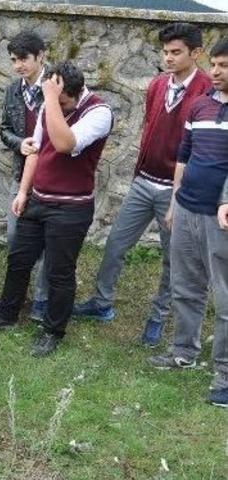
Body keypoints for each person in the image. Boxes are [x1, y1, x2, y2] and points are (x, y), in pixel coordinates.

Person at [75, 23, 210, 347]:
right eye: (165, 52)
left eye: (176, 52)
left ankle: (157, 318)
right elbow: (150, 125)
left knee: (171, 260)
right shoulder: (157, 85)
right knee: (116, 245)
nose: (168, 58)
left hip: (176, 191)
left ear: (195, 53)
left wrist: (184, 192)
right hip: (143, 182)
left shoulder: (207, 90)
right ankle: (101, 303)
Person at [0, 62, 113, 357]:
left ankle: (53, 330)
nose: (55, 105)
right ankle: (6, 315)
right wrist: (24, 192)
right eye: (52, 98)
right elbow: (36, 150)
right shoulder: (50, 105)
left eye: (61, 100)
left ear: (74, 94)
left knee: (59, 272)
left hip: (71, 206)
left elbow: (65, 143)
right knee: (18, 260)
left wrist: (51, 98)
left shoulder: (99, 113)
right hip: (39, 198)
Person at [148, 38, 228, 408]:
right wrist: (175, 202)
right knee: (185, 286)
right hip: (188, 209)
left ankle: (225, 375)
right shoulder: (200, 106)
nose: (216, 71)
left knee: (225, 299)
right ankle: (183, 351)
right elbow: (185, 154)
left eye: (224, 65)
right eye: (214, 64)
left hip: (221, 218)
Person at [0, 31, 50, 322]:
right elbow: (4, 129)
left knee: (47, 244)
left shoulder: (57, 86)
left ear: (40, 55)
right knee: (15, 237)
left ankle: (42, 300)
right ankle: (17, 296)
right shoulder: (12, 91)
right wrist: (19, 142)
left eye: (23, 59)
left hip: (51, 178)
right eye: (14, 60)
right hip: (21, 175)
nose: (18, 66)